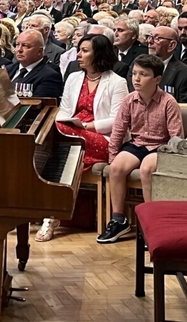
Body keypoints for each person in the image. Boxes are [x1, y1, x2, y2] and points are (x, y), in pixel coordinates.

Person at [39, 34, 128, 242]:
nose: (78, 54)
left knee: (58, 141)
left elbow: (117, 121)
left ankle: (50, 214)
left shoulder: (117, 82)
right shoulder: (74, 77)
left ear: (99, 54)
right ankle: (50, 213)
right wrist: (69, 124)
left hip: (102, 137)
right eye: (79, 50)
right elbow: (64, 111)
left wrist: (86, 126)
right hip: (71, 133)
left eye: (85, 50)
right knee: (56, 132)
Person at [98, 55, 183, 244]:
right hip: (137, 144)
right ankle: (118, 219)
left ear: (157, 79)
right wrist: (113, 156)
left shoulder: (168, 102)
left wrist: (171, 157)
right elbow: (118, 130)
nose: (136, 78)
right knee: (116, 168)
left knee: (146, 169)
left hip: (161, 147)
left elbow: (176, 137)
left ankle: (151, 223)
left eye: (143, 75)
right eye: (134, 73)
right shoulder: (129, 100)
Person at [5, 30, 64, 99]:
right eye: (17, 45)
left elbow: (40, 105)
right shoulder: (8, 69)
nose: (19, 49)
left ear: (39, 51)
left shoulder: (50, 76)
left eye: (25, 46)